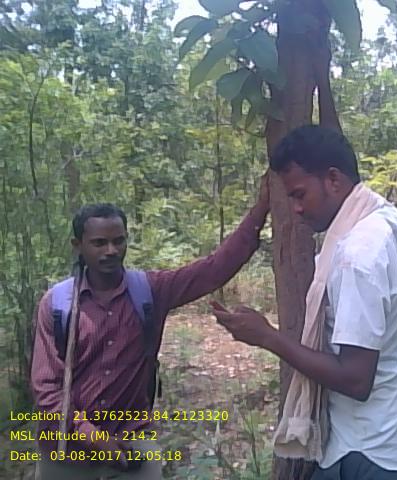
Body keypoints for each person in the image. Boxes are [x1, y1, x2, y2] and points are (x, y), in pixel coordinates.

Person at [212, 125, 397, 480]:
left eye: (300, 194)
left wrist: (267, 337)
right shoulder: (383, 215)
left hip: (367, 455)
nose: (296, 209)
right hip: (380, 437)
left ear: (333, 180)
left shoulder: (357, 255)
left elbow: (356, 380)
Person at [30, 176, 269, 480]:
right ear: (78, 246)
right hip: (66, 449)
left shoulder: (149, 290)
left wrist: (261, 210)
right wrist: (91, 435)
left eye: (118, 241)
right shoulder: (57, 304)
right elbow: (46, 388)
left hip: (132, 444)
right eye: (99, 243)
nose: (111, 250)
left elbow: (213, 269)